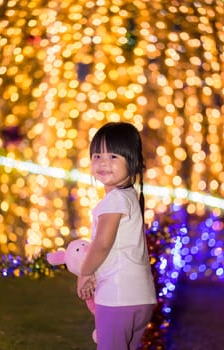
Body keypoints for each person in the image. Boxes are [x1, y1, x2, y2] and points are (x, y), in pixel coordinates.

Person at [77, 122, 157, 350]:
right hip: (141, 297)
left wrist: (85, 272)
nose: (103, 162)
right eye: (97, 155)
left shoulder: (114, 201)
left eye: (113, 156)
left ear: (131, 161)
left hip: (117, 297)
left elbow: (102, 244)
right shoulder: (130, 196)